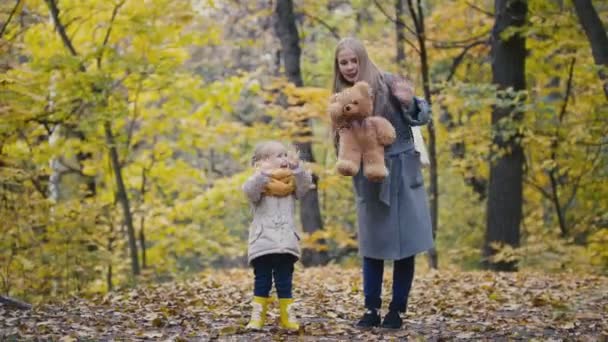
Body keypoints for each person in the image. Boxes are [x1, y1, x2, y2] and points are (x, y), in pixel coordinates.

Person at [331, 37, 434, 329]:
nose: (350, 67)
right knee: (372, 244)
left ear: (363, 58)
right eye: (344, 62)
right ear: (337, 66)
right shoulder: (340, 95)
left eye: (354, 60)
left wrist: (409, 102)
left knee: (405, 244)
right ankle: (371, 309)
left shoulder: (389, 82)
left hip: (402, 172)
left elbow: (423, 116)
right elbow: (340, 141)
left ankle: (397, 311)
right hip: (369, 175)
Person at [242, 141, 313, 331]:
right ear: (264, 161)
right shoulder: (259, 185)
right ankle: (257, 316)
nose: (284, 159)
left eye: (285, 155)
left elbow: (306, 185)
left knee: (284, 281)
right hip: (263, 241)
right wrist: (262, 175)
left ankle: (287, 316)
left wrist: (298, 168)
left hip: (285, 242)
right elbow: (248, 191)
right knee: (262, 280)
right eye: (279, 156)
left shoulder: (291, 185)